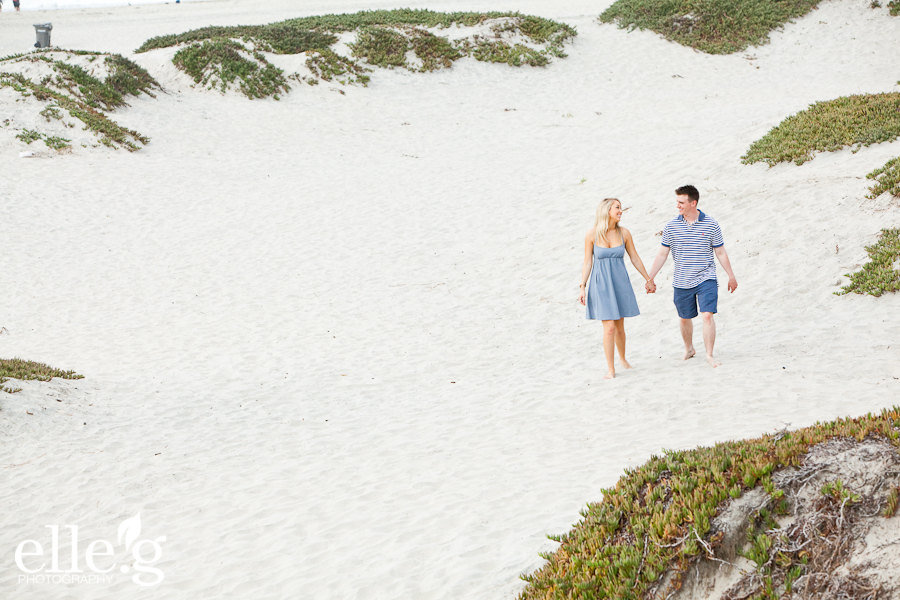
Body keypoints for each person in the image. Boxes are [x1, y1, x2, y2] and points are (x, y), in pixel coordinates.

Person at [646, 185, 737, 367]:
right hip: (682, 279)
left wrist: (731, 276)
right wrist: (650, 277)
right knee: (684, 317)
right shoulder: (671, 226)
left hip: (706, 277)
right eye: (677, 202)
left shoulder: (711, 224)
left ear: (693, 203)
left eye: (681, 202)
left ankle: (709, 355)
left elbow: (720, 252)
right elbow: (662, 254)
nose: (677, 206)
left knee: (707, 316)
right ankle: (689, 348)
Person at [579, 197, 655, 379]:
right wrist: (582, 286)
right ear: (607, 211)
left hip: (620, 282)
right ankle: (611, 368)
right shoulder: (592, 235)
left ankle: (622, 358)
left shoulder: (625, 233)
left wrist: (648, 279)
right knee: (610, 327)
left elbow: (635, 258)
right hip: (601, 284)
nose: (621, 211)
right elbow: (587, 262)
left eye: (620, 208)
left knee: (620, 326)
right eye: (617, 208)